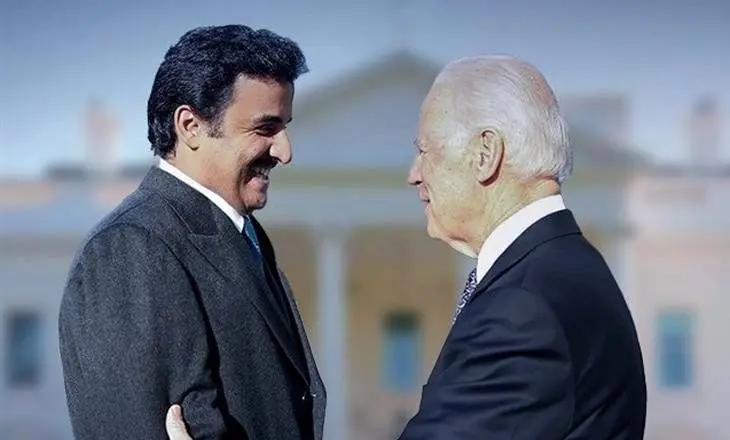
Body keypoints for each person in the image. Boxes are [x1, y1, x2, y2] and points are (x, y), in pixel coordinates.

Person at [165, 54, 647, 439]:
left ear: (485, 154)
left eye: (425, 150)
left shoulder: (525, 307)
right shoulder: (566, 270)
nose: (413, 174)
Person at [59, 24, 325, 440]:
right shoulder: (130, 249)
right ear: (190, 126)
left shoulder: (246, 237)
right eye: (264, 129)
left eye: (285, 127)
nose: (285, 151)